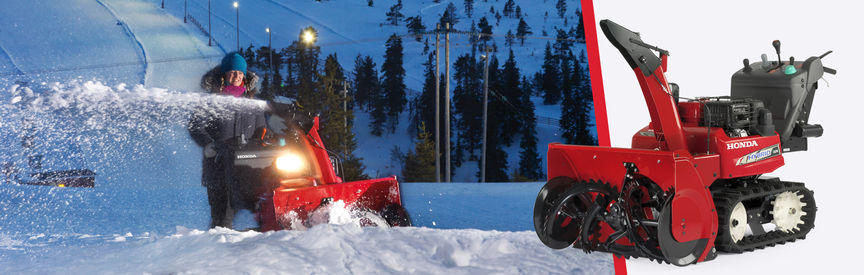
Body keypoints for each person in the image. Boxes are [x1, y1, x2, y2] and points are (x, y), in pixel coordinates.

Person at [188, 52, 263, 229]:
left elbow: (262, 129)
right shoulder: (211, 101)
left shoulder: (252, 103)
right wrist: (209, 144)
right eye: (232, 72)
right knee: (222, 221)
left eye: (240, 72)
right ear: (224, 74)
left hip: (249, 172)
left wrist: (264, 141)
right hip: (219, 169)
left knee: (255, 224)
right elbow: (195, 126)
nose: (237, 76)